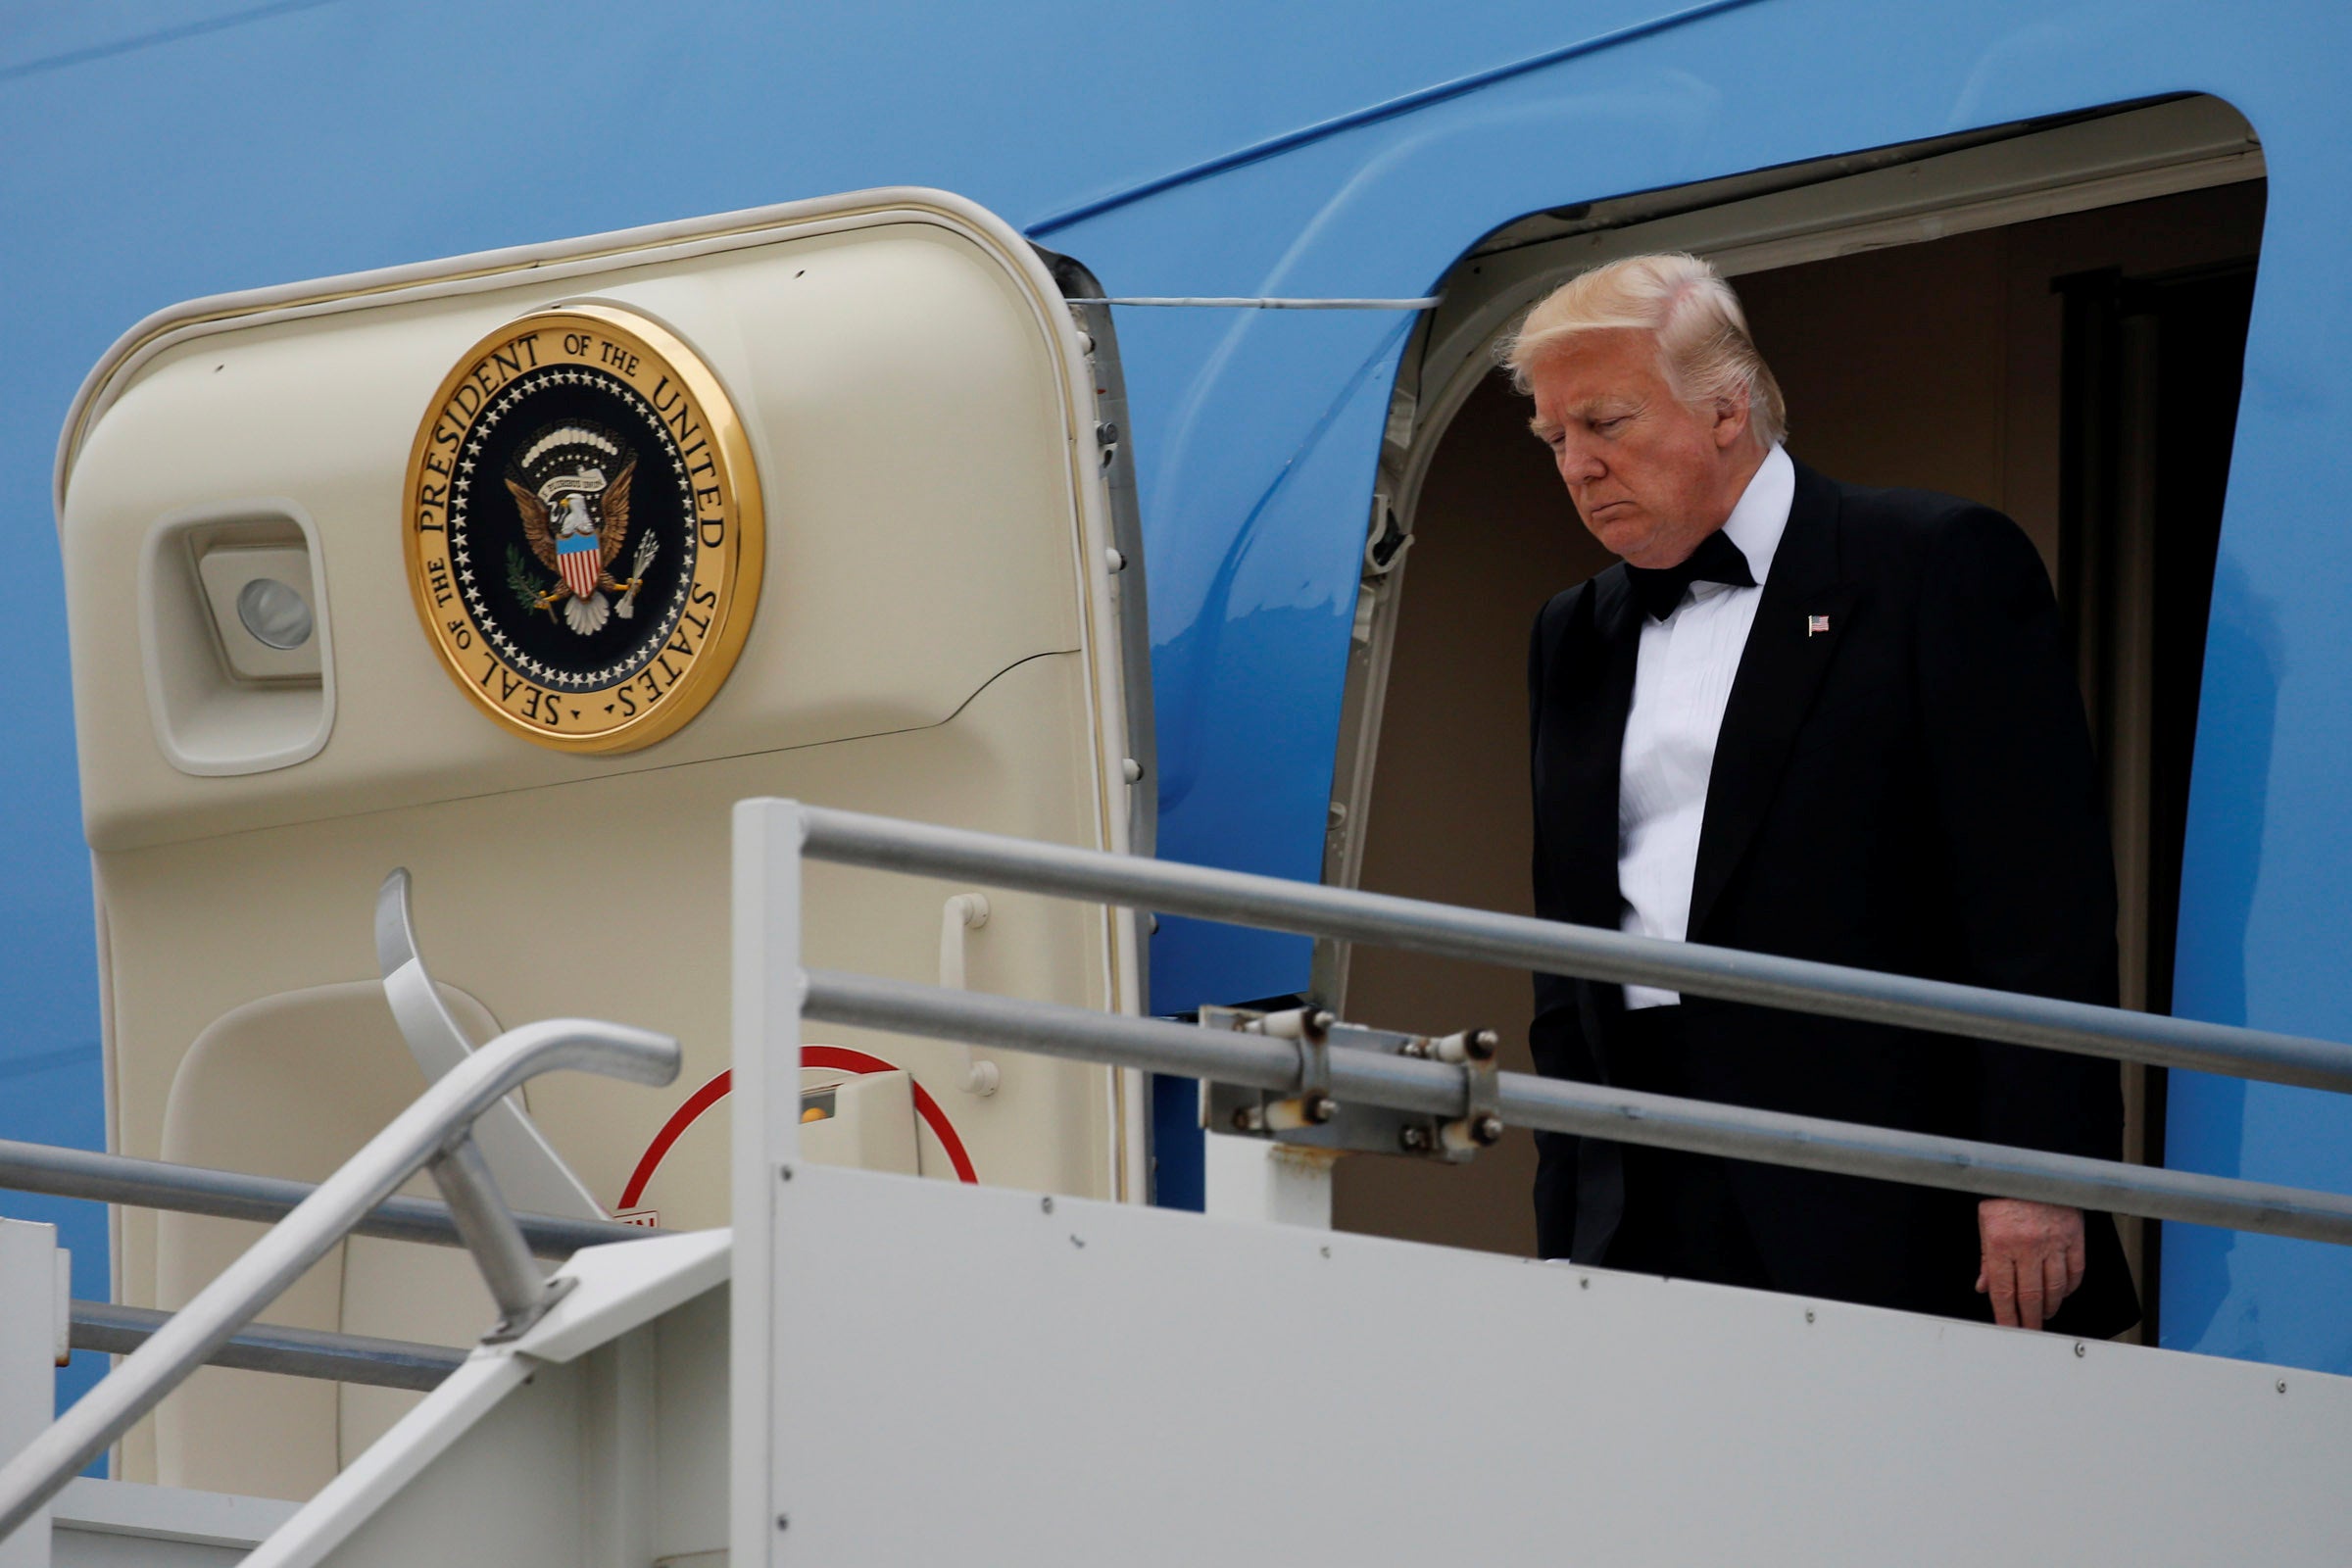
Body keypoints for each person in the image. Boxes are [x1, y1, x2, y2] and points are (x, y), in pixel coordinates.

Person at [1512, 252, 2138, 1336]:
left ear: (1727, 408)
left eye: (1605, 422)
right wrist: (1568, 1209)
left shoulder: (1934, 562)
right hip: (1642, 1175)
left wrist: (2036, 1172)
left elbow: (2040, 903)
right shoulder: (1571, 630)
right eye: (1555, 438)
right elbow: (1568, 948)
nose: (1578, 465)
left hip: (1888, 1176)